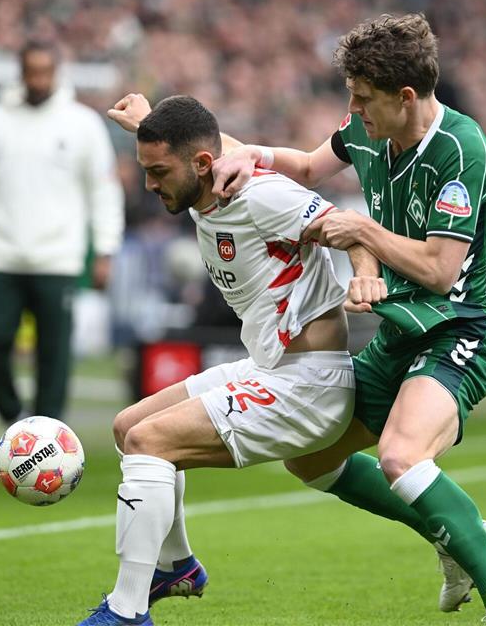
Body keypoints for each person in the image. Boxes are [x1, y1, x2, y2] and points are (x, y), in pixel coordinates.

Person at [206, 13, 486, 624]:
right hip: (399, 335)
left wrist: (363, 230)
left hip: (457, 330)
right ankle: (456, 534)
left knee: (401, 456)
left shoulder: (460, 148)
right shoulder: (366, 129)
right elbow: (307, 168)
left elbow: (439, 270)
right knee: (309, 456)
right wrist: (252, 155)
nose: (353, 109)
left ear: (404, 96)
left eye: (362, 98)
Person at [80, 95, 364, 626]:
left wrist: (365, 276)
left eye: (158, 172)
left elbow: (346, 226)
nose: (150, 184)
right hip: (267, 367)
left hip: (308, 384)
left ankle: (126, 610)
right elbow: (205, 140)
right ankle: (176, 566)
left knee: (148, 444)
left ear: (201, 164)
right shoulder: (204, 177)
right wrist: (146, 122)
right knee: (128, 427)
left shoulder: (262, 195)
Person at [0, 39, 123, 422]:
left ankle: (48, 436)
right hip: (0, 255)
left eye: (45, 72)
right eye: (32, 72)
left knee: (54, 357)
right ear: (20, 72)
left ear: (56, 72)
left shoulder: (82, 123)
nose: (39, 80)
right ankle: (14, 420)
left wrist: (106, 249)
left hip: (59, 257)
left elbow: (103, 191)